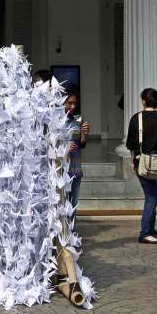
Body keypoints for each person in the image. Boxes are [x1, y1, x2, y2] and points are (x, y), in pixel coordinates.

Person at [126, 88, 157, 244]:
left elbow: (131, 144)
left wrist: (133, 160)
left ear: (144, 101)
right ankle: (146, 232)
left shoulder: (136, 118)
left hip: (142, 164)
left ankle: (150, 230)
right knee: (152, 198)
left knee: (150, 197)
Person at [65, 93, 90, 228]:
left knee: (73, 204)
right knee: (63, 204)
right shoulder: (55, 121)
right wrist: (64, 148)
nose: (72, 106)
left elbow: (81, 144)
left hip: (75, 169)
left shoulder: (77, 120)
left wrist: (84, 135)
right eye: (69, 103)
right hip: (61, 172)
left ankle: (72, 233)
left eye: (75, 103)